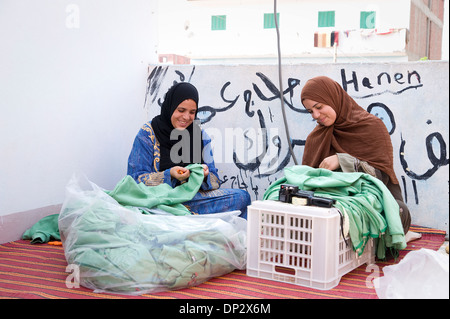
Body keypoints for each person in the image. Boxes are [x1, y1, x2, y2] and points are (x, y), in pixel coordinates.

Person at [300, 76, 414, 237]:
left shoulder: (372, 127)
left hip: (366, 201)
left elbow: (381, 178)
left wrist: (343, 161)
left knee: (398, 211)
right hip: (330, 204)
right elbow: (306, 182)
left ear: (333, 99)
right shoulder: (317, 137)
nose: (316, 115)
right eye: (310, 111)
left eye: (319, 107)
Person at [127, 82, 251, 218]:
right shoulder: (148, 134)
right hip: (160, 201)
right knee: (149, 209)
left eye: (192, 112)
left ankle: (182, 216)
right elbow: (134, 180)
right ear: (170, 107)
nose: (186, 117)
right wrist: (170, 175)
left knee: (242, 197)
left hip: (191, 200)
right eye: (181, 110)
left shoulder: (200, 136)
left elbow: (215, 180)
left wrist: (204, 175)